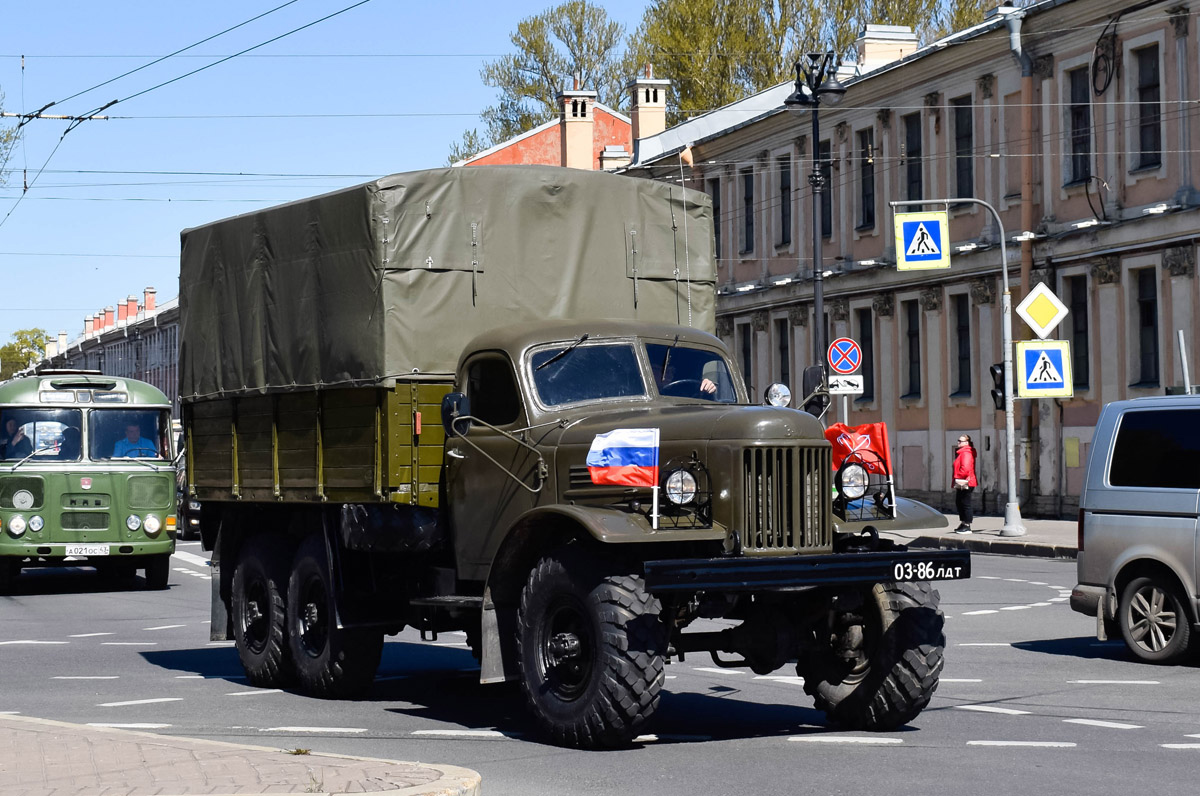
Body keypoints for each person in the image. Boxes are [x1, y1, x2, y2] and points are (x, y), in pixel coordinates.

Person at [952, 434, 978, 534]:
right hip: (964, 481)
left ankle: (967, 525)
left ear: (966, 443)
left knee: (965, 503)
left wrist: (957, 477)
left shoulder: (966, 453)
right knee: (960, 502)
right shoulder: (961, 452)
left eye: (960, 441)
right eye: (958, 440)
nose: (958, 442)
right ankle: (963, 523)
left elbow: (965, 468)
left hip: (966, 481)